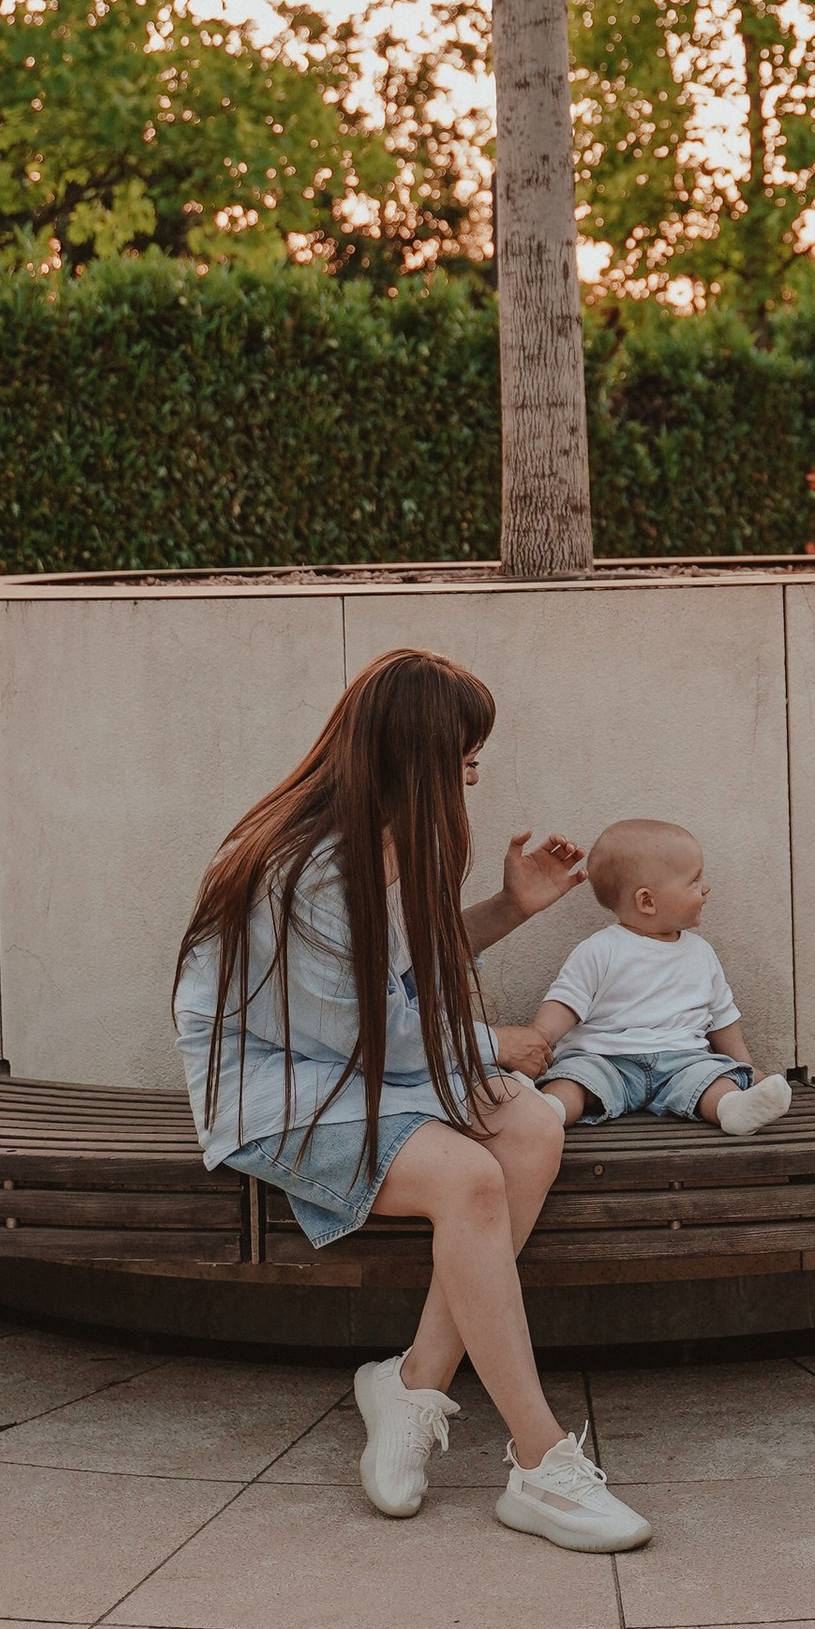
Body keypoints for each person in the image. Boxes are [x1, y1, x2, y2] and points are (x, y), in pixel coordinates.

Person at [172, 647, 652, 1553]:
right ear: (416, 759)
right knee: (469, 1178)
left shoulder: (380, 838)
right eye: (465, 755)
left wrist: (510, 909)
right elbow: (364, 1031)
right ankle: (543, 1463)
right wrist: (491, 1043)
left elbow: (388, 979)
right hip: (273, 1092)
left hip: (353, 1072)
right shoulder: (303, 871)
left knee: (534, 1126)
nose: (474, 771)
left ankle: (414, 1385)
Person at [527, 818, 794, 1136]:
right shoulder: (600, 949)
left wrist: (749, 1068)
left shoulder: (701, 953)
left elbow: (722, 1017)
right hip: (606, 1059)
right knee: (573, 1081)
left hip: (681, 1061)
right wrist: (538, 1038)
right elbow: (566, 1001)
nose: (705, 888)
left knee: (714, 1078)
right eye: (694, 881)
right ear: (647, 901)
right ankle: (548, 1110)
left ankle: (732, 1107)